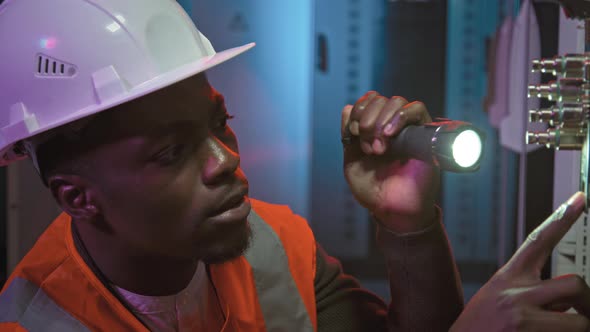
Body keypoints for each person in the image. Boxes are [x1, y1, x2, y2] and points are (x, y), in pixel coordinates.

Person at [0, 0, 589, 331]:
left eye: (217, 123)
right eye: (170, 152)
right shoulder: (35, 325)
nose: (225, 160)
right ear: (78, 198)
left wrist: (408, 229)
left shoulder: (274, 243)